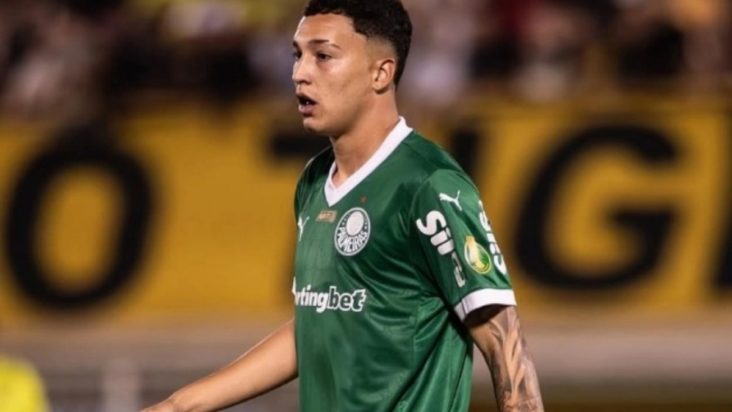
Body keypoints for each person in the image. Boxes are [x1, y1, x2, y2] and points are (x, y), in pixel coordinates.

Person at [143, 1, 543, 411]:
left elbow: (505, 346)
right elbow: (316, 326)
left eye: (323, 56)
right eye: (297, 55)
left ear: (380, 73)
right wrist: (180, 405)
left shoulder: (428, 184)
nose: (300, 73)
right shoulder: (314, 182)